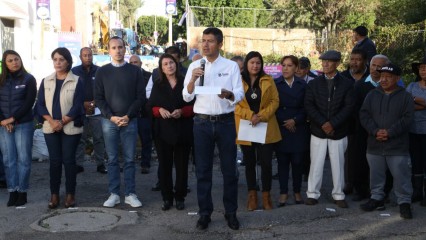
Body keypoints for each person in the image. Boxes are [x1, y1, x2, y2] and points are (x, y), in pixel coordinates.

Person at [183, 27, 244, 230]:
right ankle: (205, 214)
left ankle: (231, 212)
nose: (206, 44)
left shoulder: (231, 66)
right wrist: (192, 79)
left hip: (225, 122)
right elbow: (187, 96)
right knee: (203, 171)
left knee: (229, 170)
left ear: (220, 44)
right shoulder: (194, 66)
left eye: (210, 41)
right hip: (201, 123)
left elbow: (240, 94)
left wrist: (228, 94)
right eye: (203, 40)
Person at [94, 36, 145, 208]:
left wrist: (128, 116)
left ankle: (130, 194)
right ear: (108, 50)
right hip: (110, 122)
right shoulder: (102, 72)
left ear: (125, 49)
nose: (118, 50)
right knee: (113, 159)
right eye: (114, 47)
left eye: (120, 47)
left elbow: (140, 97)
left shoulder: (135, 71)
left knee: (130, 159)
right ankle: (114, 193)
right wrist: (111, 116)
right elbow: (99, 99)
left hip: (130, 120)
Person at [359, 63, 414, 219]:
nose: (383, 80)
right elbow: (364, 115)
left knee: (401, 175)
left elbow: (408, 118)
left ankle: (404, 203)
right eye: (382, 76)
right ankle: (376, 198)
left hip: (397, 146)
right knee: (375, 175)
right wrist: (375, 131)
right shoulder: (372, 94)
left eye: (388, 77)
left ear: (397, 78)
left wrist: (390, 132)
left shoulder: (405, 96)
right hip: (375, 143)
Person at [304, 50, 354, 208]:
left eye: (329, 61)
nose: (325, 64)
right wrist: (323, 123)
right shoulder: (314, 83)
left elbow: (349, 108)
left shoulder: (347, 83)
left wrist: (332, 124)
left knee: (338, 164)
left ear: (337, 63)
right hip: (318, 130)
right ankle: (312, 193)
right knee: (316, 164)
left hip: (338, 131)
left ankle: (338, 194)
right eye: (323, 61)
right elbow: (309, 105)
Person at [37, 47, 85, 209]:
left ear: (68, 62)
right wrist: (52, 122)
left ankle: (70, 195)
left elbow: (78, 106)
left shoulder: (77, 80)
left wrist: (62, 122)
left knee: (69, 161)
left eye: (61, 59)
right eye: (55, 59)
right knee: (55, 162)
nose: (58, 62)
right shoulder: (46, 81)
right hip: (50, 127)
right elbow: (40, 105)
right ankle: (54, 194)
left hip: (70, 127)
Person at [234, 51, 281, 211]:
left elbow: (275, 101)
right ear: (247, 64)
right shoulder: (238, 80)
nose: (255, 65)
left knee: (266, 163)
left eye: (258, 63)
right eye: (252, 62)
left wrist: (260, 116)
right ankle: (252, 196)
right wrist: (251, 115)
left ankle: (266, 196)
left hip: (265, 126)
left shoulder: (268, 80)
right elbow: (235, 103)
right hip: (247, 126)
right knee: (249, 164)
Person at [148, 53, 194, 211]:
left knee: (182, 166)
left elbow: (194, 105)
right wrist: (159, 110)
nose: (169, 66)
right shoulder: (158, 84)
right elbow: (151, 107)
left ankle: (180, 196)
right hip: (163, 131)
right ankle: (166, 198)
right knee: (164, 166)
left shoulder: (185, 82)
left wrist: (182, 111)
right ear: (161, 68)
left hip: (183, 130)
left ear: (176, 64)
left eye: (171, 62)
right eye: (165, 64)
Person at [351, 54, 391, 202]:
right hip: (363, 130)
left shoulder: (390, 85)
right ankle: (361, 190)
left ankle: (384, 192)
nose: (375, 69)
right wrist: (369, 126)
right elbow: (355, 109)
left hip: (384, 130)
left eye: (379, 66)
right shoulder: (360, 85)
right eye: (373, 65)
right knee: (360, 160)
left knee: (384, 162)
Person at [0, 50, 37, 206]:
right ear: (5, 64)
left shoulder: (29, 79)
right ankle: (12, 191)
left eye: (17, 59)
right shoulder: (1, 81)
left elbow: (29, 103)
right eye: (10, 60)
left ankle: (22, 191)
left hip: (23, 124)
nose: (14, 62)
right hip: (4, 126)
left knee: (23, 159)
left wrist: (12, 119)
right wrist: (3, 120)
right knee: (9, 160)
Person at [274, 55, 310, 207]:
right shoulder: (275, 84)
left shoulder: (303, 85)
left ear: (296, 68)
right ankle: (283, 192)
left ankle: (297, 191)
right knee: (282, 162)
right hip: (281, 127)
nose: (286, 68)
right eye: (284, 65)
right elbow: (273, 106)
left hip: (298, 127)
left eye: (289, 65)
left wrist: (295, 120)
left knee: (297, 162)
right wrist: (285, 121)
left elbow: (307, 107)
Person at [72, 47, 107, 174]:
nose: (88, 57)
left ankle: (100, 164)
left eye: (90, 55)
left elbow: (103, 89)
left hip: (96, 110)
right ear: (80, 57)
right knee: (81, 138)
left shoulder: (99, 71)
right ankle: (78, 164)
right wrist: (83, 104)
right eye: (85, 55)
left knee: (98, 138)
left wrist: (94, 103)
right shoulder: (74, 71)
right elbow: (71, 92)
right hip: (81, 110)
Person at [340, 48, 369, 197]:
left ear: (364, 61)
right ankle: (349, 183)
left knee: (366, 155)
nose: (354, 62)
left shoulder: (371, 77)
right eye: (352, 59)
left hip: (368, 123)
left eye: (358, 59)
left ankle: (365, 186)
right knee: (350, 155)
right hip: (349, 122)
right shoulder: (343, 77)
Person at [406, 56, 426, 204]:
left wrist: (416, 100)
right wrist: (423, 104)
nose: (423, 70)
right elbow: (405, 105)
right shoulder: (412, 86)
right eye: (421, 67)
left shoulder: (413, 91)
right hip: (413, 131)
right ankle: (417, 192)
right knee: (416, 162)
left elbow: (411, 102)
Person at [129, 55, 153, 174]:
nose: (134, 64)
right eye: (131, 62)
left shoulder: (149, 76)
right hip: (130, 114)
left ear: (141, 63)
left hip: (144, 114)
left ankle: (146, 164)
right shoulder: (125, 77)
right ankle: (128, 164)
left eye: (136, 62)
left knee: (146, 140)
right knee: (128, 141)